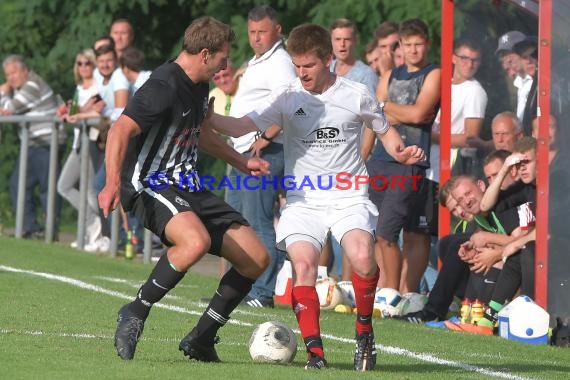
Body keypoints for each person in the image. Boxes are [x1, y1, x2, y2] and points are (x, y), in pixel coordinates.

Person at [206, 23, 425, 371]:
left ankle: (364, 332)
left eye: (309, 65)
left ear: (327, 60)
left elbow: (385, 131)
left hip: (349, 195)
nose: (302, 72)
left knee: (363, 256)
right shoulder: (288, 96)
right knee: (304, 266)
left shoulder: (356, 94)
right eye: (297, 65)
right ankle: (316, 354)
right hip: (303, 201)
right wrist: (208, 116)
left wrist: (400, 153)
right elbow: (241, 126)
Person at [98, 16, 270, 362]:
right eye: (222, 57)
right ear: (204, 53)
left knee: (256, 258)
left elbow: (201, 132)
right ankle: (136, 310)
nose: (226, 65)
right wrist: (112, 182)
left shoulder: (198, 84)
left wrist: (240, 162)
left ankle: (201, 339)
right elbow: (119, 130)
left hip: (186, 185)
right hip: (150, 183)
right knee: (195, 242)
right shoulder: (162, 85)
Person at [362, 18, 441, 293]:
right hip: (378, 162)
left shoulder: (434, 73)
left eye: (418, 44)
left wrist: (383, 106)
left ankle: (392, 296)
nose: (413, 50)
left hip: (410, 163)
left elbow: (419, 114)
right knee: (373, 233)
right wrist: (361, 159)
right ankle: (383, 290)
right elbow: (372, 118)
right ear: (401, 47)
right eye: (408, 45)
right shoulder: (390, 75)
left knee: (388, 233)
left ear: (427, 44)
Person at [226, 5, 297, 308]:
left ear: (277, 30)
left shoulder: (280, 62)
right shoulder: (258, 60)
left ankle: (262, 292)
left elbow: (289, 104)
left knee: (258, 223)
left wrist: (265, 137)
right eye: (252, 32)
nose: (256, 38)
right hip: (240, 151)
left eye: (262, 32)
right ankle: (238, 290)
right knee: (234, 222)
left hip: (264, 151)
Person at [1, 54, 66, 240]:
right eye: (7, 75)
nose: (10, 78)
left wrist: (3, 91)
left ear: (25, 70)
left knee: (48, 187)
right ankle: (29, 227)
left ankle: (49, 231)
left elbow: (8, 109)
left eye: (14, 72)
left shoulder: (32, 84)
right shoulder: (23, 88)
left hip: (47, 142)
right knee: (18, 184)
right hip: (33, 144)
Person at [57, 49, 105, 248]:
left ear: (94, 66)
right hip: (78, 143)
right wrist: (65, 111)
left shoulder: (99, 86)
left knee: (89, 192)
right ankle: (93, 231)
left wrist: (77, 113)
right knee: (65, 186)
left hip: (92, 142)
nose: (83, 67)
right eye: (80, 63)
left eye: (88, 63)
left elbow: (100, 108)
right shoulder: (79, 87)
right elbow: (74, 112)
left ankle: (97, 233)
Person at [330, 18, 378, 93]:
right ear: (330, 41)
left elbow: (372, 104)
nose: (342, 44)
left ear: (355, 41)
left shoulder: (366, 74)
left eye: (347, 39)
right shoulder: (325, 69)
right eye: (338, 39)